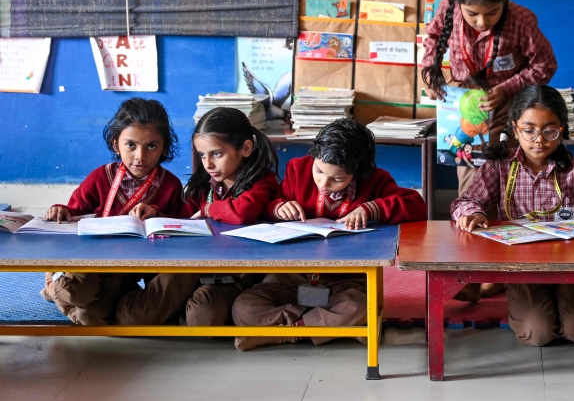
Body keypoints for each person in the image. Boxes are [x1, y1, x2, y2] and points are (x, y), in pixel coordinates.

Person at [452, 85, 574, 347]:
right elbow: (465, 201)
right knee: (538, 333)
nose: (539, 139)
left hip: (570, 265)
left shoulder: (573, 168)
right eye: (529, 130)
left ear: (562, 130)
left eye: (550, 130)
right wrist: (472, 213)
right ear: (514, 128)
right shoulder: (499, 166)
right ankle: (512, 290)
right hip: (521, 266)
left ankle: (573, 302)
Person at [231, 119, 426, 351]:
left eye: (338, 179)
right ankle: (324, 326)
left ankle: (283, 333)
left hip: (346, 278)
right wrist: (278, 207)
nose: (323, 183)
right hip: (293, 275)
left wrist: (371, 208)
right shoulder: (297, 170)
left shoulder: (375, 180)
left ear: (358, 172)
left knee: (359, 307)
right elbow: (268, 203)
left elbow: (416, 205)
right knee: (243, 307)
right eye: (319, 171)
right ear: (313, 156)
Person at [115, 107, 280, 327]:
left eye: (217, 154)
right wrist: (158, 214)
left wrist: (209, 210)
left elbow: (242, 212)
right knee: (134, 315)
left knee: (202, 314)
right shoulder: (203, 185)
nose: (208, 164)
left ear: (246, 149)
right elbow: (185, 220)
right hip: (195, 266)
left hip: (237, 275)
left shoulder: (262, 182)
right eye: (202, 155)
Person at [421, 0, 557, 197]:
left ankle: (509, 229)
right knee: (472, 182)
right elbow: (433, 38)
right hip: (463, 104)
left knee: (508, 179)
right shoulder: (447, 8)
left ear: (505, 0)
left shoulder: (521, 20)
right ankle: (471, 224)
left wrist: (506, 89)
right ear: (458, 2)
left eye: (492, 12)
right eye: (472, 14)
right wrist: (430, 73)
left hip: (508, 106)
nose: (482, 22)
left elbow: (545, 65)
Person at [40, 98, 182, 325]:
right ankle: (53, 283)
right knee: (75, 291)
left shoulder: (171, 186)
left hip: (127, 271)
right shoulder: (100, 178)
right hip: (94, 262)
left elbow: (178, 228)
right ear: (116, 144)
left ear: (164, 146)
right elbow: (73, 212)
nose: (140, 156)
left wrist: (157, 214)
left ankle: (69, 293)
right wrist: (60, 210)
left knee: (92, 319)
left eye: (152, 146)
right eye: (131, 145)